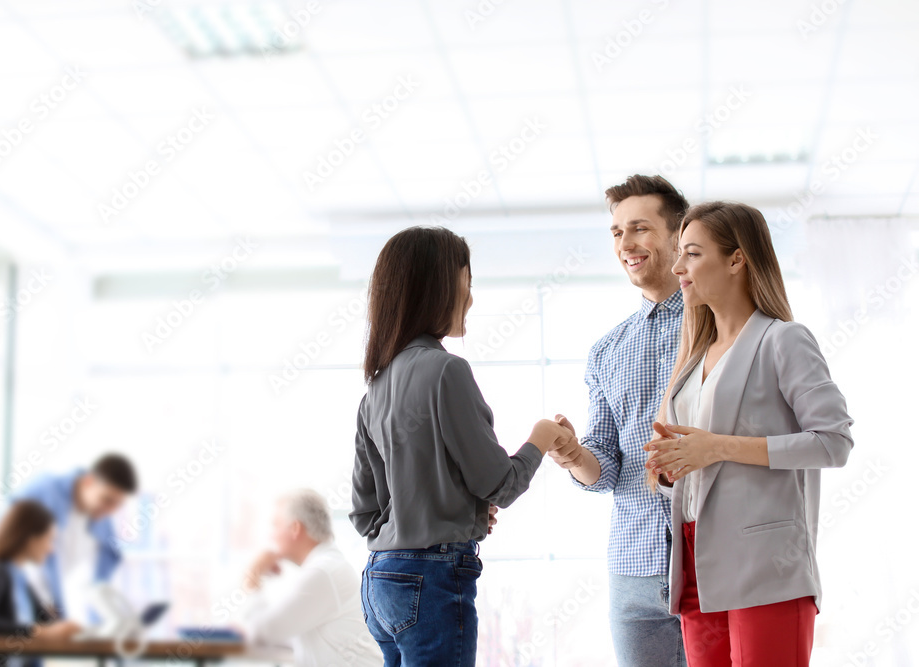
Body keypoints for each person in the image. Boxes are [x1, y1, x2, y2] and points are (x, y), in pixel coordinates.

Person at [350, 225, 575, 667]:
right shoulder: (446, 371)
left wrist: (451, 513)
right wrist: (542, 436)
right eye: (466, 283)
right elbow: (501, 486)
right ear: (435, 289)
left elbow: (364, 514)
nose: (470, 297)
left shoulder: (374, 389)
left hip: (381, 580)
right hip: (432, 581)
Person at [643, 201, 853, 666]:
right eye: (678, 253)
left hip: (766, 565)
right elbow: (696, 467)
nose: (677, 267)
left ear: (737, 258)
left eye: (692, 254)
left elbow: (834, 442)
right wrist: (668, 468)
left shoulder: (784, 339)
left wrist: (714, 447)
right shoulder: (694, 359)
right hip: (696, 562)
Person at [548, 174, 690, 666]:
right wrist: (573, 456)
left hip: (707, 558)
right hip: (632, 569)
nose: (626, 244)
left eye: (639, 228)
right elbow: (604, 467)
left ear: (678, 236)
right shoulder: (606, 351)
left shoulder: (721, 329)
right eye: (615, 232)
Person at [240, 489, 382, 667]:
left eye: (275, 525)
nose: (271, 535)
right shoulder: (326, 567)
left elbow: (261, 633)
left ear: (295, 529)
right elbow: (280, 633)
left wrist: (253, 578)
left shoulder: (322, 572)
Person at [0, 501, 81, 667]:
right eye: (49, 539)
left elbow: (48, 622)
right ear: (30, 539)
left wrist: (69, 629)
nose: (51, 550)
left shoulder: (19, 578)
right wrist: (41, 632)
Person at [12, 454, 137, 622]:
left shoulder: (101, 520)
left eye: (117, 505)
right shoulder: (43, 492)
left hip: (58, 613)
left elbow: (99, 576)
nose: (110, 510)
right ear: (88, 481)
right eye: (106, 500)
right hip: (21, 605)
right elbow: (6, 546)